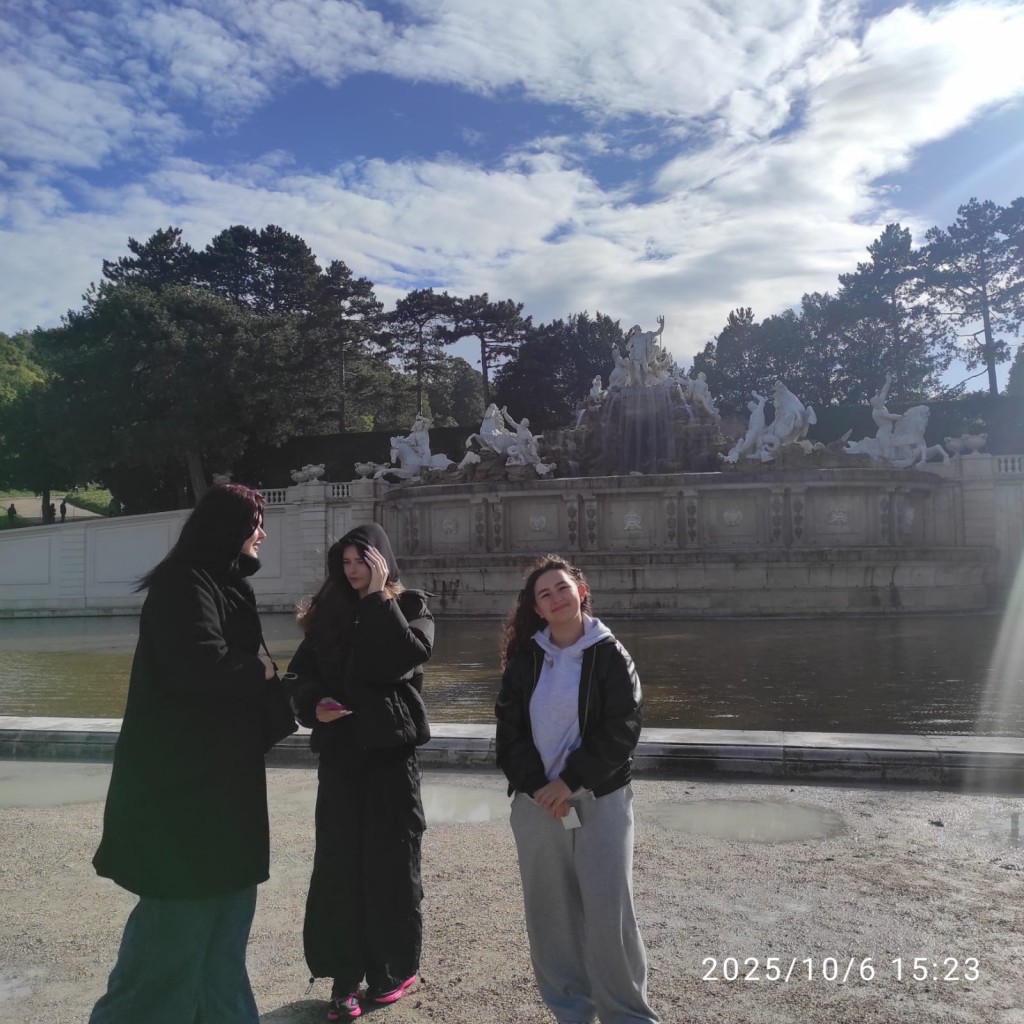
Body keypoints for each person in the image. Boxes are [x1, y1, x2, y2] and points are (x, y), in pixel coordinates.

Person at [89, 484, 295, 1024]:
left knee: (220, 952)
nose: (262, 533)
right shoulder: (185, 583)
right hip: (186, 806)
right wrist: (261, 671)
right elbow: (202, 667)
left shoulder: (215, 583)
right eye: (256, 522)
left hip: (219, 800)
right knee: (164, 961)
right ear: (230, 526)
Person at [495, 556, 659, 1024]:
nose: (556, 598)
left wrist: (569, 782)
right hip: (537, 803)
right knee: (551, 916)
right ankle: (572, 1012)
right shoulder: (525, 659)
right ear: (537, 608)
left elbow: (622, 728)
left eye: (563, 588)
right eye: (544, 594)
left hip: (598, 798)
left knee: (610, 913)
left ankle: (627, 1015)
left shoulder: (610, 654)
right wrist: (538, 787)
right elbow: (508, 731)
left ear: (581, 592)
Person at [285, 523, 433, 1022]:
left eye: (361, 562)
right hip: (342, 758)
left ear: (381, 562)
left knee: (393, 862)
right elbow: (297, 677)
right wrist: (312, 705)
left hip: (391, 759)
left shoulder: (411, 607)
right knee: (340, 864)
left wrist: (376, 599)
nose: (351, 571)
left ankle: (392, 968)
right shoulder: (326, 612)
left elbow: (404, 658)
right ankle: (344, 977)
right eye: (345, 563)